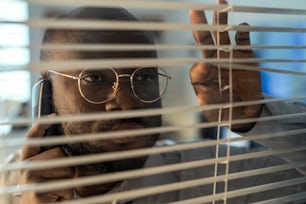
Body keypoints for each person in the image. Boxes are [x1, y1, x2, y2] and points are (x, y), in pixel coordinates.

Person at [1, 1, 306, 203]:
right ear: (47, 92)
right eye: (93, 79)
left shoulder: (209, 175)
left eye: (145, 77)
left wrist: (258, 118)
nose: (128, 103)